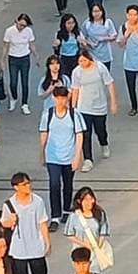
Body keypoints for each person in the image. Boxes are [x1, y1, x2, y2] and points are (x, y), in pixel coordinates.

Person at [0, 171, 51, 274]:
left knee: (40, 272)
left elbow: (42, 222)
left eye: (28, 183)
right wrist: (12, 221)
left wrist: (47, 241)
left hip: (36, 244)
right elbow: (3, 222)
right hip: (18, 247)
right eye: (24, 184)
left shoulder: (38, 201)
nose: (28, 186)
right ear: (16, 187)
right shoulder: (9, 204)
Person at [40, 85, 82, 225]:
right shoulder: (48, 114)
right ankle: (55, 216)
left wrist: (77, 156)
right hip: (52, 156)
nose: (60, 101)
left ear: (67, 98)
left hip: (69, 156)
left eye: (63, 98)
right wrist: (42, 152)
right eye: (57, 98)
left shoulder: (74, 114)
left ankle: (66, 210)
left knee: (68, 184)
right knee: (54, 184)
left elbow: (79, 135)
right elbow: (44, 133)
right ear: (53, 98)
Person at [68, 45, 116, 163]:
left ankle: (104, 144)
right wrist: (73, 108)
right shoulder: (76, 72)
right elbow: (75, 89)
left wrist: (113, 102)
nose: (82, 63)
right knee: (85, 134)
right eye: (79, 61)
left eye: (84, 60)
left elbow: (110, 84)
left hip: (100, 105)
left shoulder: (100, 68)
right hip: (84, 107)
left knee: (100, 130)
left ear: (90, 59)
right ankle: (88, 159)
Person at [65, 185, 112, 270]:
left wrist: (98, 245)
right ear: (79, 201)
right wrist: (84, 244)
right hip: (80, 251)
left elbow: (103, 232)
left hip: (95, 250)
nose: (89, 202)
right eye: (86, 200)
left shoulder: (100, 214)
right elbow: (70, 235)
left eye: (91, 199)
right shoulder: (74, 216)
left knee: (95, 271)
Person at [2, 12, 35, 114]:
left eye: (24, 26)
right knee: (13, 82)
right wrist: (2, 60)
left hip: (25, 58)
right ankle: (14, 98)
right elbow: (5, 46)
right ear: (16, 21)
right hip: (13, 58)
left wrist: (36, 56)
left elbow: (31, 44)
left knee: (25, 82)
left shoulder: (28, 31)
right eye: (20, 25)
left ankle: (24, 104)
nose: (22, 27)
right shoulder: (9, 31)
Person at [54, 13, 82, 81]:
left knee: (75, 78)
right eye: (69, 23)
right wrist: (56, 46)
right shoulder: (59, 34)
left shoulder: (77, 33)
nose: (71, 25)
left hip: (75, 58)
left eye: (73, 23)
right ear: (64, 24)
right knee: (66, 78)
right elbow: (56, 49)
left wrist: (83, 43)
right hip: (64, 59)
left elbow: (82, 46)